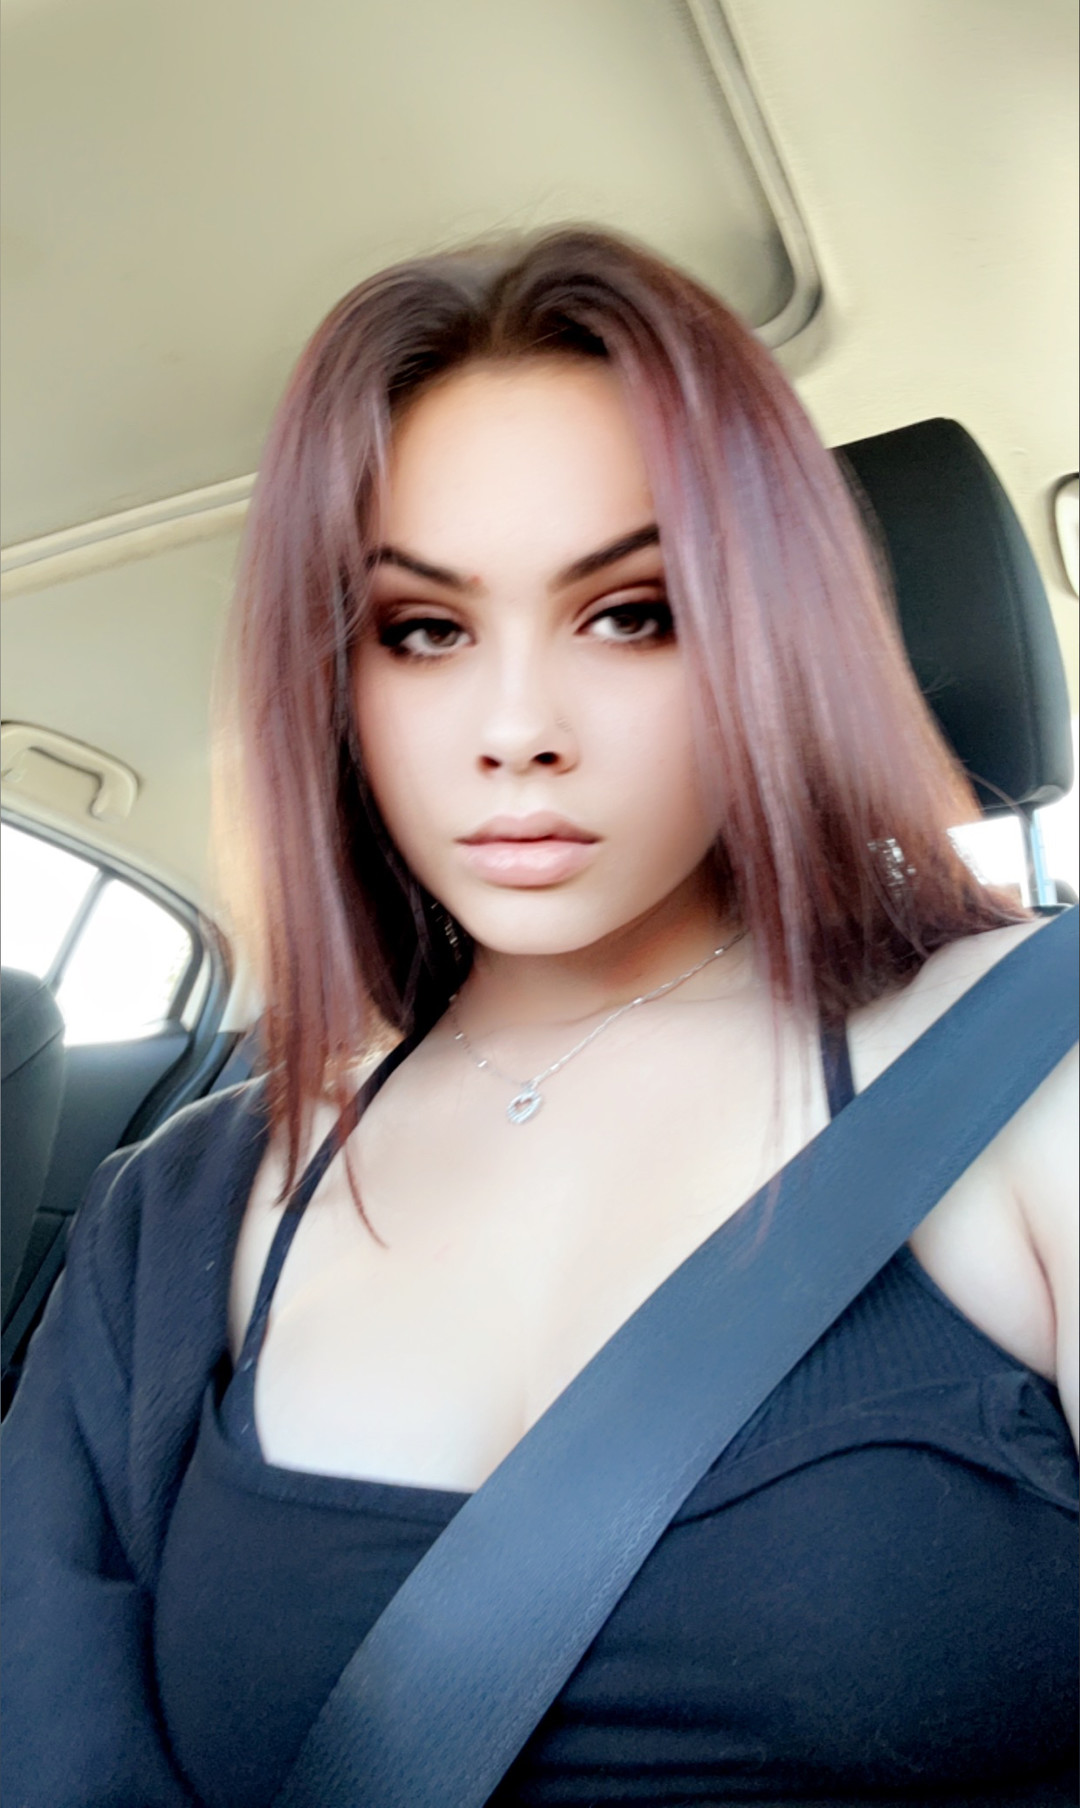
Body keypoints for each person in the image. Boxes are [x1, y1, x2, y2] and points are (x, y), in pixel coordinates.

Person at [2, 229, 1076, 1807]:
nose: (517, 730)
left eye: (632, 612)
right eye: (424, 630)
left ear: (769, 632)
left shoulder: (1033, 1070)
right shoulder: (180, 1213)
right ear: (335, 679)